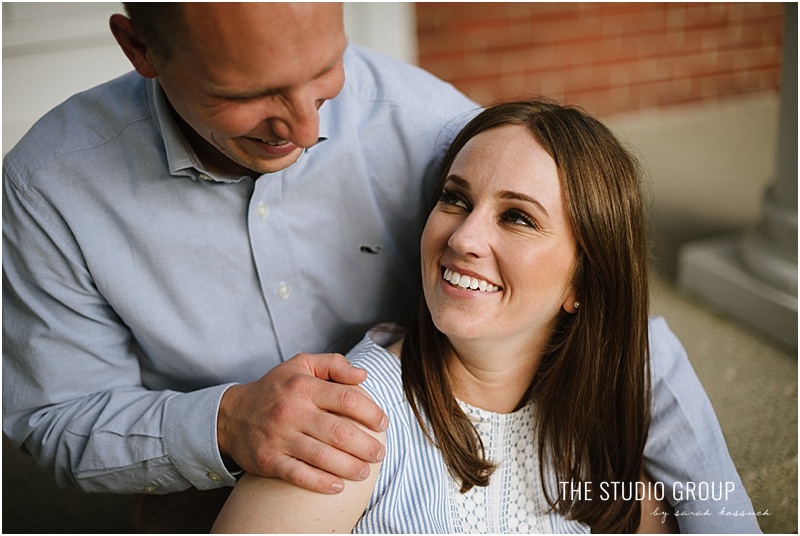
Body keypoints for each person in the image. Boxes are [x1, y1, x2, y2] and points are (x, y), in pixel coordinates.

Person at [2, 3, 758, 534]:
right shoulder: (54, 184)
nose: (307, 128)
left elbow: (572, 267)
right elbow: (51, 418)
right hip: (212, 469)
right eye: (250, 94)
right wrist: (228, 422)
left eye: (326, 70)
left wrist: (639, 376)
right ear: (141, 52)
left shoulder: (431, 126)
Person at [212, 100, 759, 534]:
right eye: (455, 199)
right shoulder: (355, 418)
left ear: (583, 284)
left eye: (517, 217)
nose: (464, 237)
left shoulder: (599, 414)